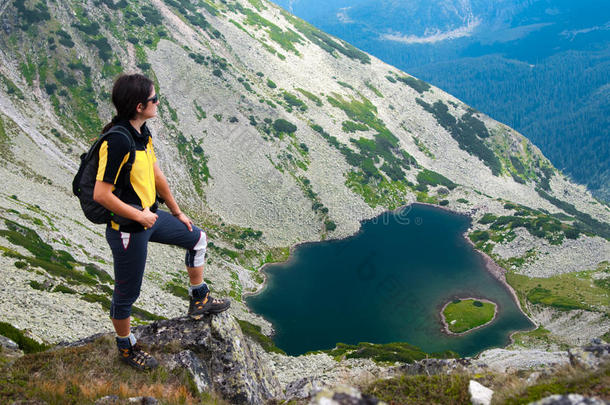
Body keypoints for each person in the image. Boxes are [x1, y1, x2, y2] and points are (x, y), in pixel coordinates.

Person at [93, 73, 230, 370]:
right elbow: (101, 194)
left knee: (197, 238)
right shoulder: (117, 140)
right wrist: (140, 215)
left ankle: (199, 299)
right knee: (127, 293)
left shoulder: (143, 134)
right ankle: (126, 347)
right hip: (128, 228)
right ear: (140, 105)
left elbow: (156, 176)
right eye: (155, 99)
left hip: (149, 217)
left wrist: (178, 212)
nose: (158, 102)